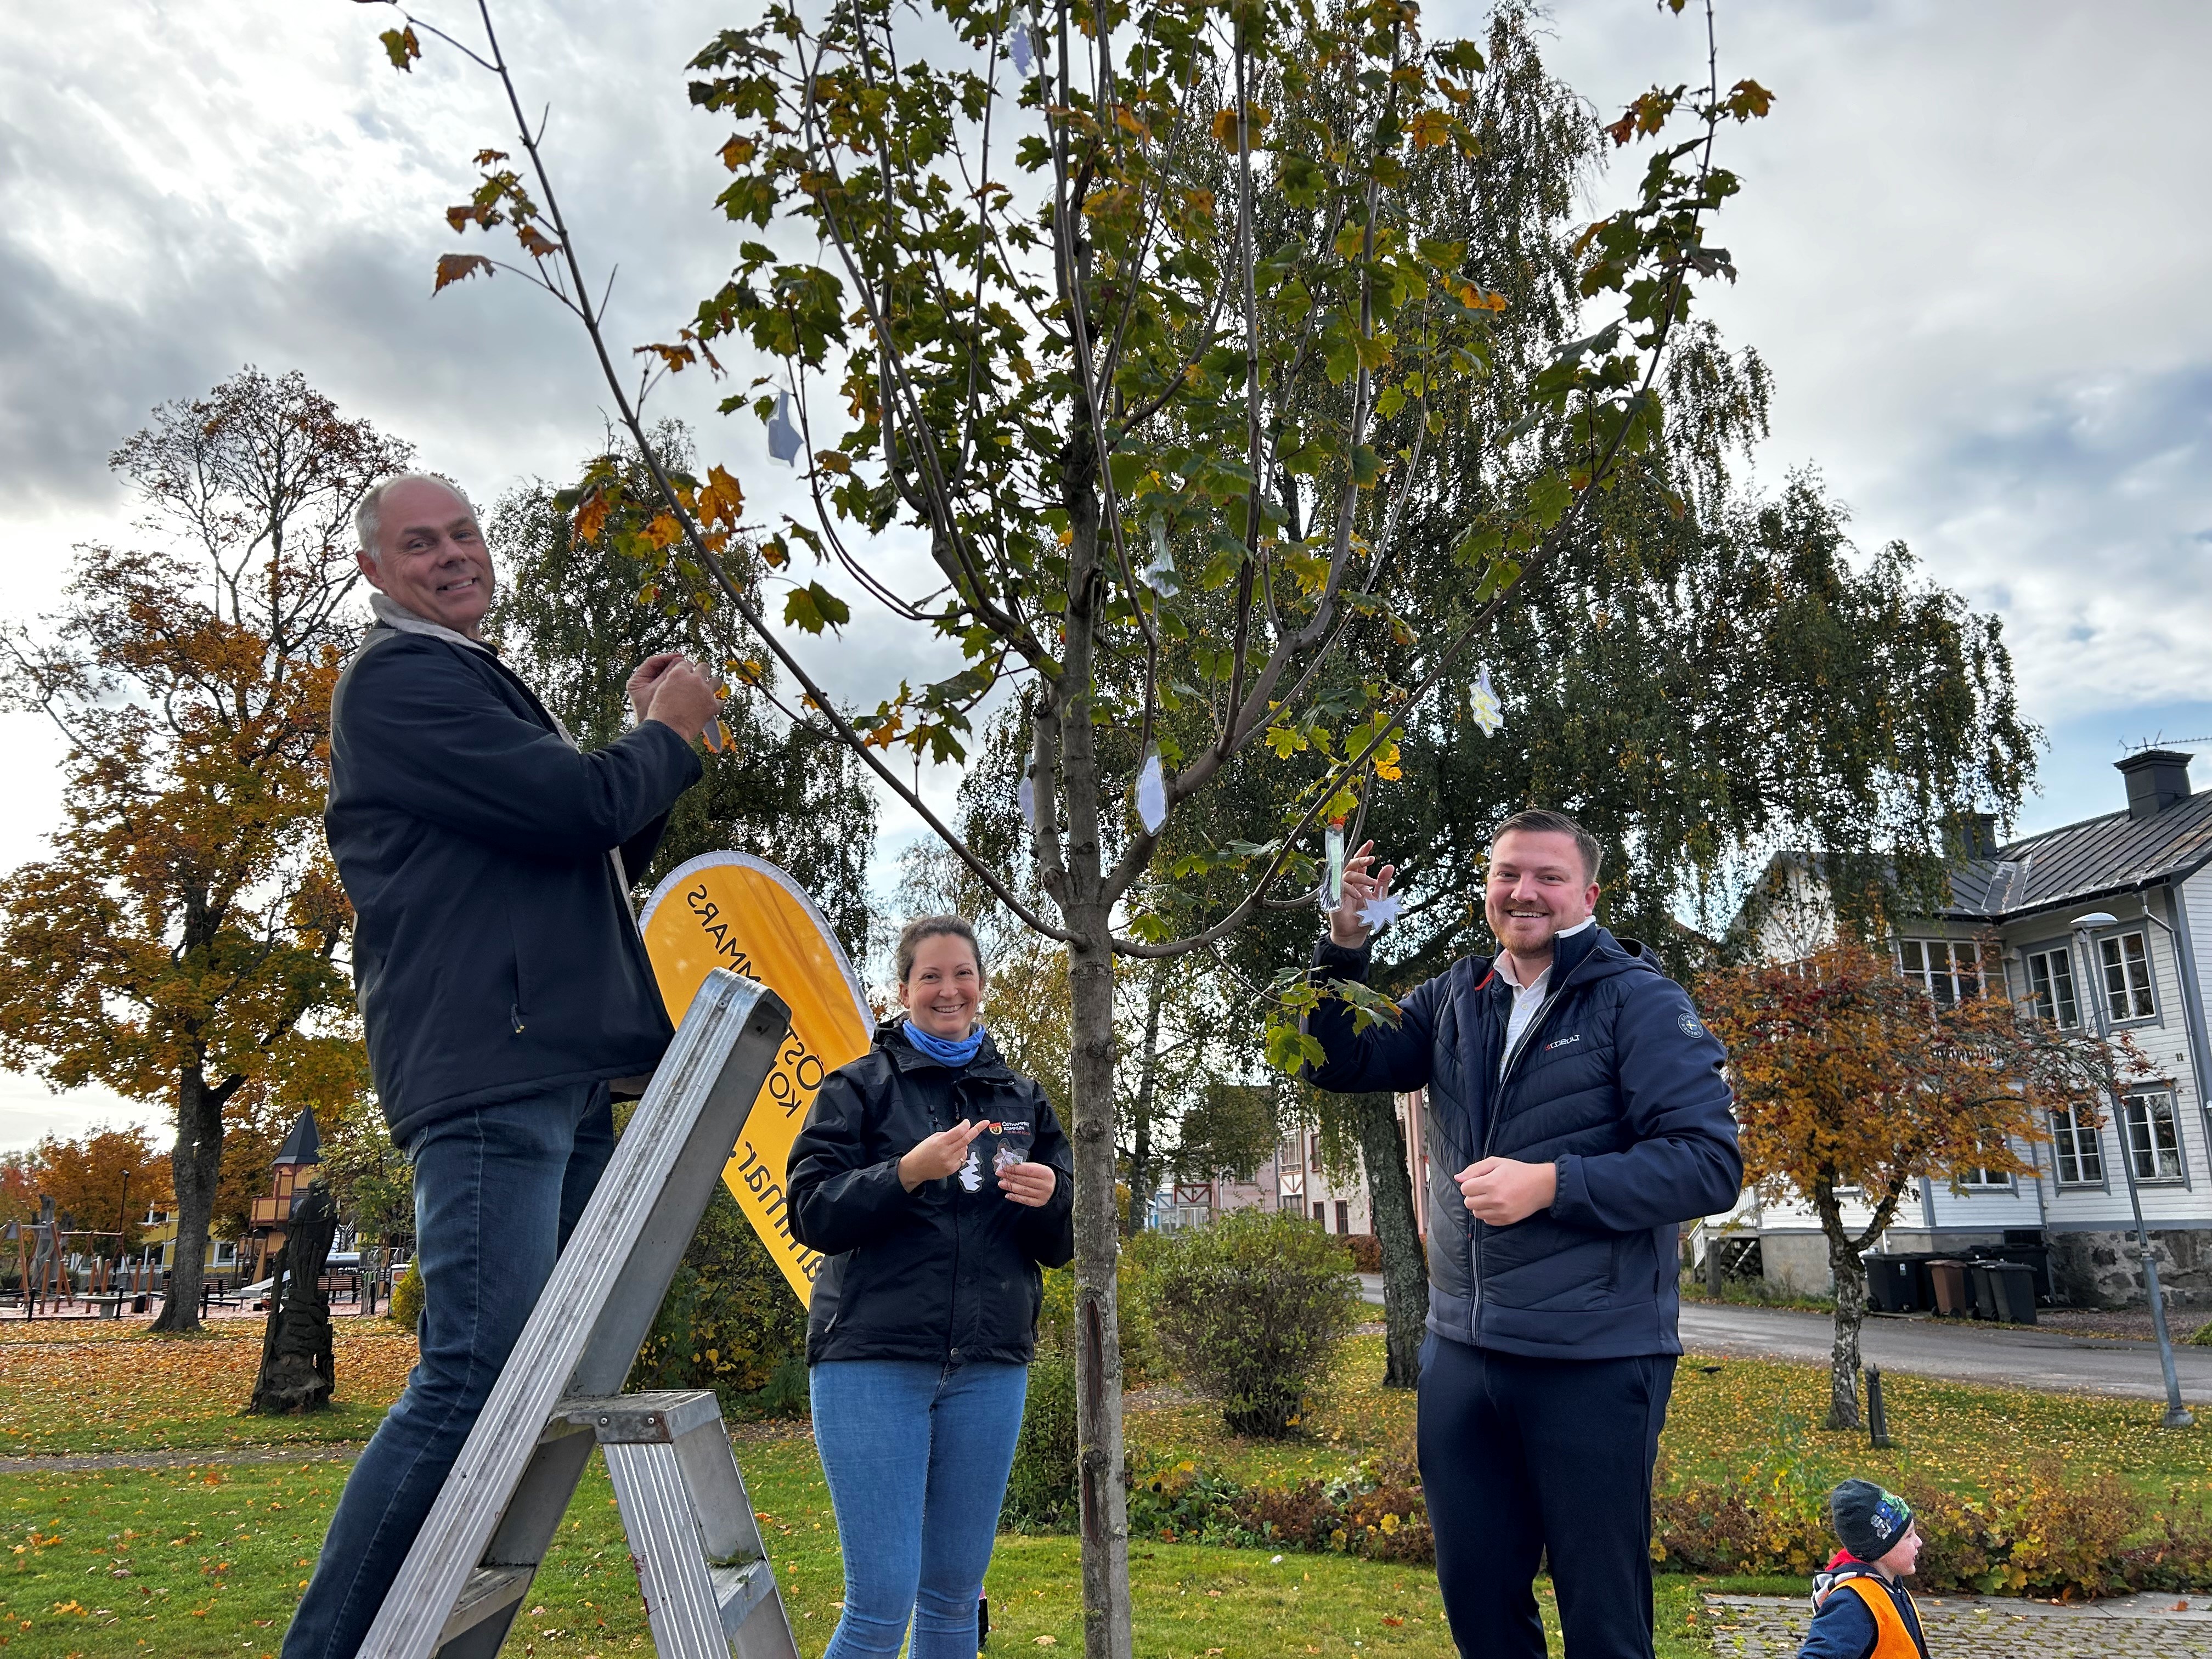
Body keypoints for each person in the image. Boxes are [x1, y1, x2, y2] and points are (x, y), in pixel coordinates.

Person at [283, 472, 722, 1659]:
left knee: (528, 1379)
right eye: (420, 544)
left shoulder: (468, 679)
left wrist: (647, 751)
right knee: (477, 1372)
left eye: (465, 533)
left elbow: (587, 838)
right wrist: (665, 734)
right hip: (496, 1070)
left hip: (554, 1065)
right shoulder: (402, 679)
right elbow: (580, 806)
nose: (454, 554)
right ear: (376, 574)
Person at [1303, 808, 1742, 1659]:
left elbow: (1707, 1165)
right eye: (1508, 874)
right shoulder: (1455, 999)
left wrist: (1553, 1184)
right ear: (1488, 888)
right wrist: (1345, 947)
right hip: (1462, 1354)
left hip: (1595, 1357)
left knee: (1604, 1618)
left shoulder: (1639, 1002)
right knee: (1480, 1607)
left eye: (1547, 876)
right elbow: (1336, 1061)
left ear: (1588, 893)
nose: (1525, 892)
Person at [787, 915, 1075, 1659]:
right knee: (881, 1600)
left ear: (981, 984)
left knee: (952, 1599)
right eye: (931, 977)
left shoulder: (1023, 1100)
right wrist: (906, 1172)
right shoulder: (858, 1090)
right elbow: (811, 1210)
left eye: (962, 974)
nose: (948, 990)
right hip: (872, 1363)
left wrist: (1054, 1199)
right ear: (903, 989)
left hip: (989, 1366)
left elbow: (1063, 1245)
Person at [1797, 1481, 1930, 1659]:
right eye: (1909, 1536)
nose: (1918, 1542)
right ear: (1882, 1548)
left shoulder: (1893, 1588)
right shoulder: (1852, 1603)